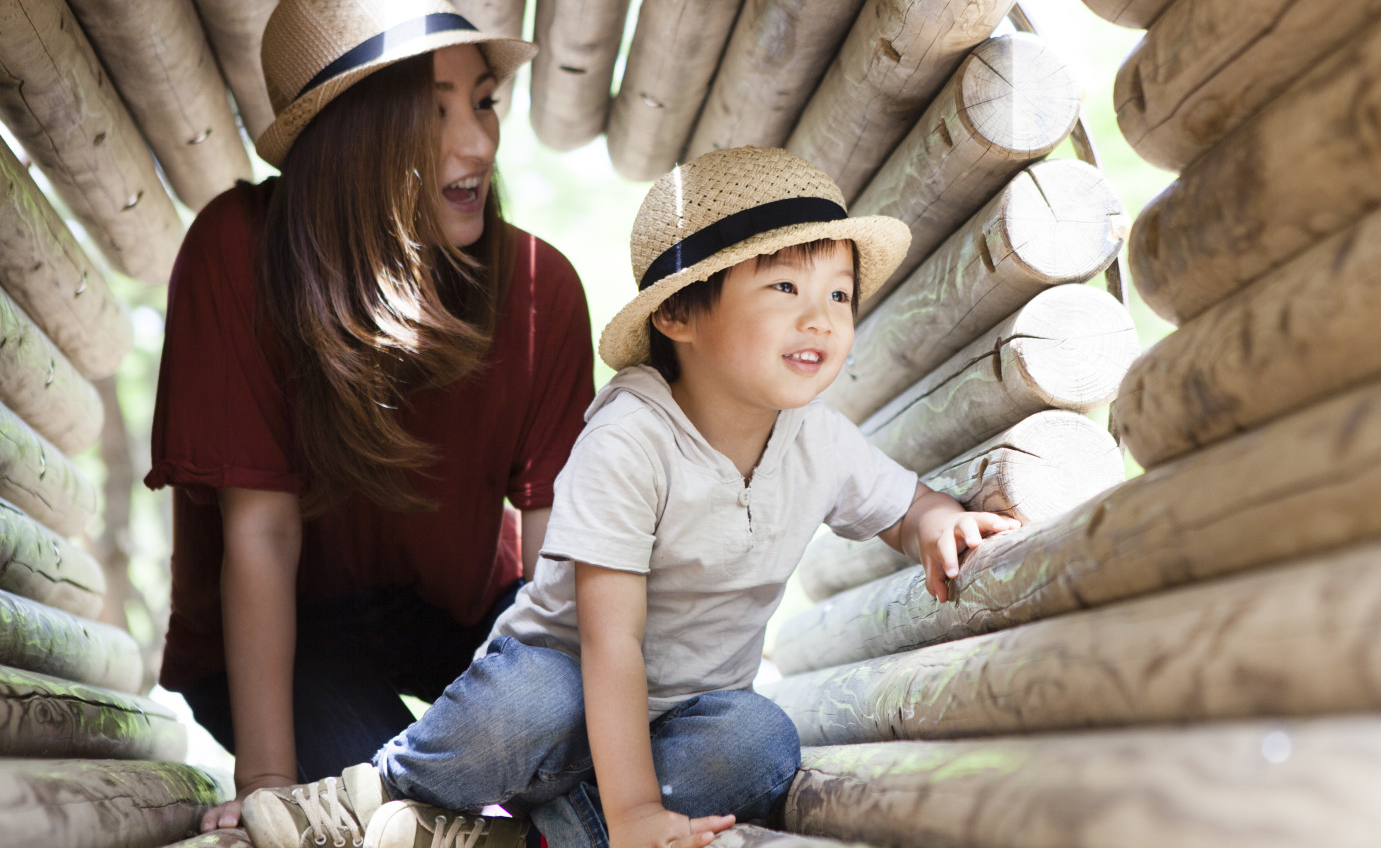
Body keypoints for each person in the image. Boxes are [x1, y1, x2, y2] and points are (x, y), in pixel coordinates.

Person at [239, 146, 1020, 848]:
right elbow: (611, 645)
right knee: (533, 695)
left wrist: (936, 522)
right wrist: (639, 812)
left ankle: (528, 842)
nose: (820, 316)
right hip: (563, 694)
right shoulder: (630, 439)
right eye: (784, 284)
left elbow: (900, 505)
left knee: (759, 740)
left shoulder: (818, 437)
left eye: (840, 294)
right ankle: (373, 791)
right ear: (679, 312)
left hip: (677, 725)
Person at [145, 0, 595, 834]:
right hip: (285, 636)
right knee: (386, 814)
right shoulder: (237, 249)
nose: (478, 142)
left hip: (465, 627)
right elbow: (262, 536)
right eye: (433, 111)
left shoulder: (543, 287)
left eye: (482, 100)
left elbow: (556, 587)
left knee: (591, 678)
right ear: (353, 136)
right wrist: (270, 777)